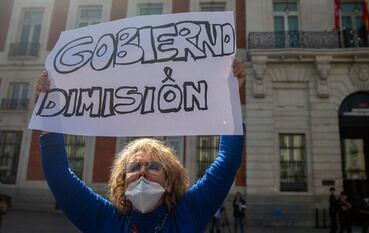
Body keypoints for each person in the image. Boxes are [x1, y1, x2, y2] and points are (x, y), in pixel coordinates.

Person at [36, 60, 246, 233]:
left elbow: (228, 162)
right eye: (134, 168)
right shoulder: (103, 218)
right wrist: (50, 106)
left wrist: (232, 97)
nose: (142, 172)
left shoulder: (189, 213)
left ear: (170, 183)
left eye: (153, 166)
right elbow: (58, 175)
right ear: (123, 181)